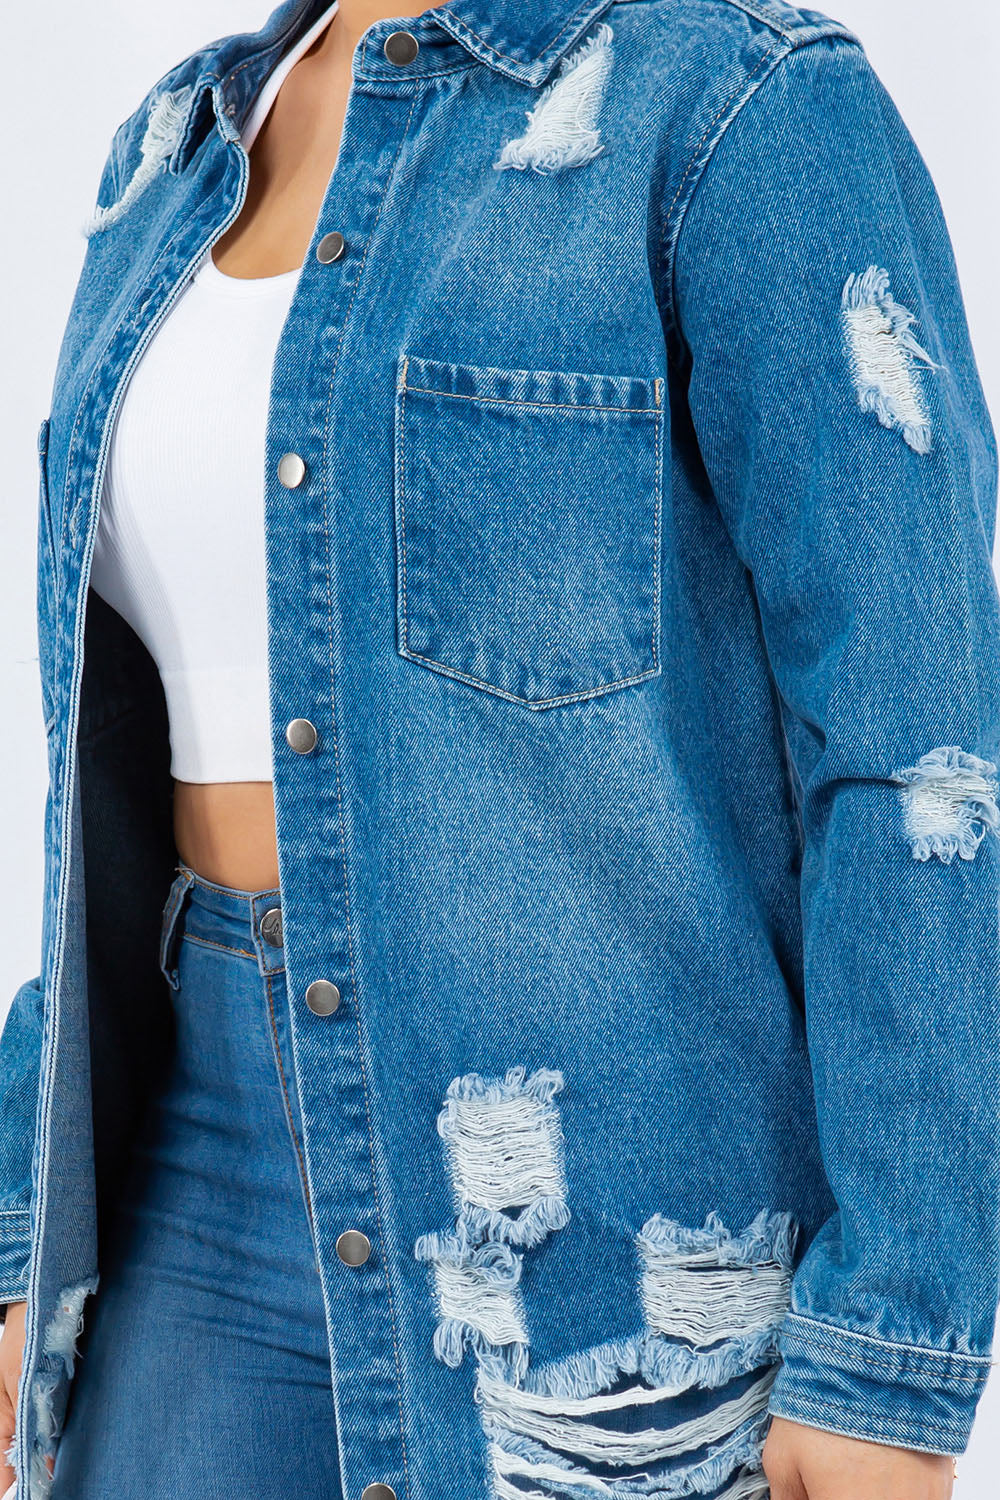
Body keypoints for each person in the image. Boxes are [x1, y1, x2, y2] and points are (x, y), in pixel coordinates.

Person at [1, 1, 997, 1497]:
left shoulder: (737, 106)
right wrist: (29, 1196)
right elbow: (100, 786)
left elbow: (915, 756)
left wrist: (892, 1343)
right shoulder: (177, 144)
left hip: (588, 1226)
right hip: (184, 1167)